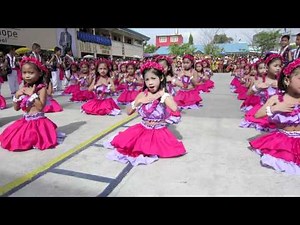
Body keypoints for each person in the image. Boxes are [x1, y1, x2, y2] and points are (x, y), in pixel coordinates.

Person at [103, 61, 186, 166]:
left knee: (160, 150)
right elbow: (128, 112)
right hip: (142, 129)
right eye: (147, 79)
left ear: (160, 78)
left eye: (153, 78)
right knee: (129, 147)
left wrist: (163, 95)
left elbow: (175, 108)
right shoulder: (142, 94)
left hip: (159, 132)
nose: (150, 82)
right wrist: (138, 102)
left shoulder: (164, 95)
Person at [0, 57, 65, 151]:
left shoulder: (41, 89)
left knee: (30, 138)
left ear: (39, 73)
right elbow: (16, 108)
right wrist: (17, 96)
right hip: (26, 120)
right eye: (24, 72)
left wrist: (32, 95)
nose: (27, 76)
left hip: (38, 122)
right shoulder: (24, 87)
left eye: (31, 73)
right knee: (13, 138)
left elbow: (40, 107)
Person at [249, 58, 300, 174]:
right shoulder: (277, 98)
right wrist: (274, 108)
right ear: (287, 80)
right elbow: (258, 115)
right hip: (283, 139)